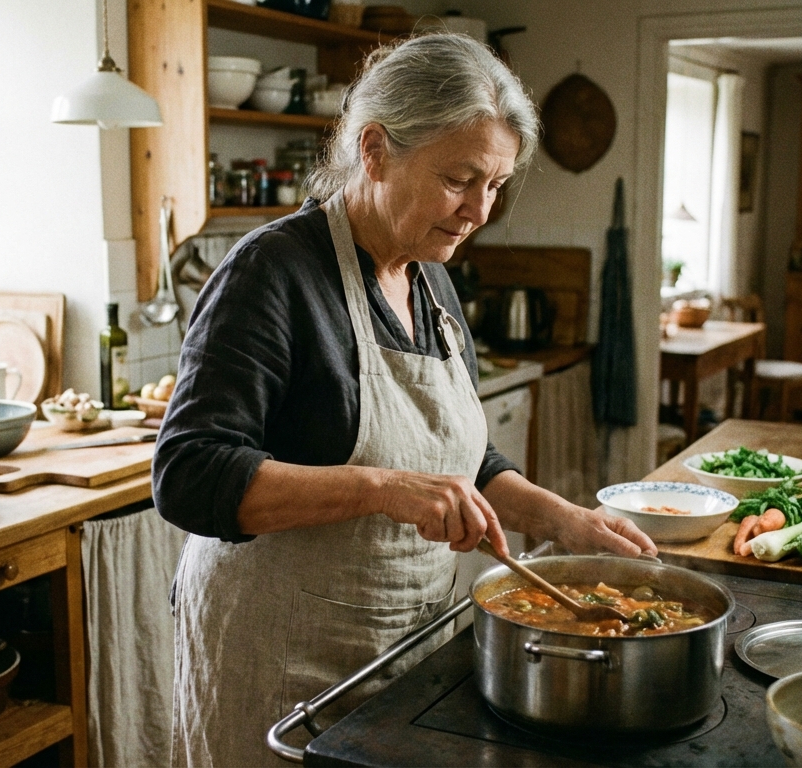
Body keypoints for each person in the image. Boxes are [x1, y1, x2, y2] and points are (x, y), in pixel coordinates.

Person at [153, 33, 657, 767]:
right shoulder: (273, 273)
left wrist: (565, 521)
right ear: (376, 151)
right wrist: (382, 490)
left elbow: (460, 456)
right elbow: (190, 475)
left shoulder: (431, 278)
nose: (480, 210)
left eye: (495, 185)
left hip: (402, 652)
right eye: (460, 179)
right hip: (280, 667)